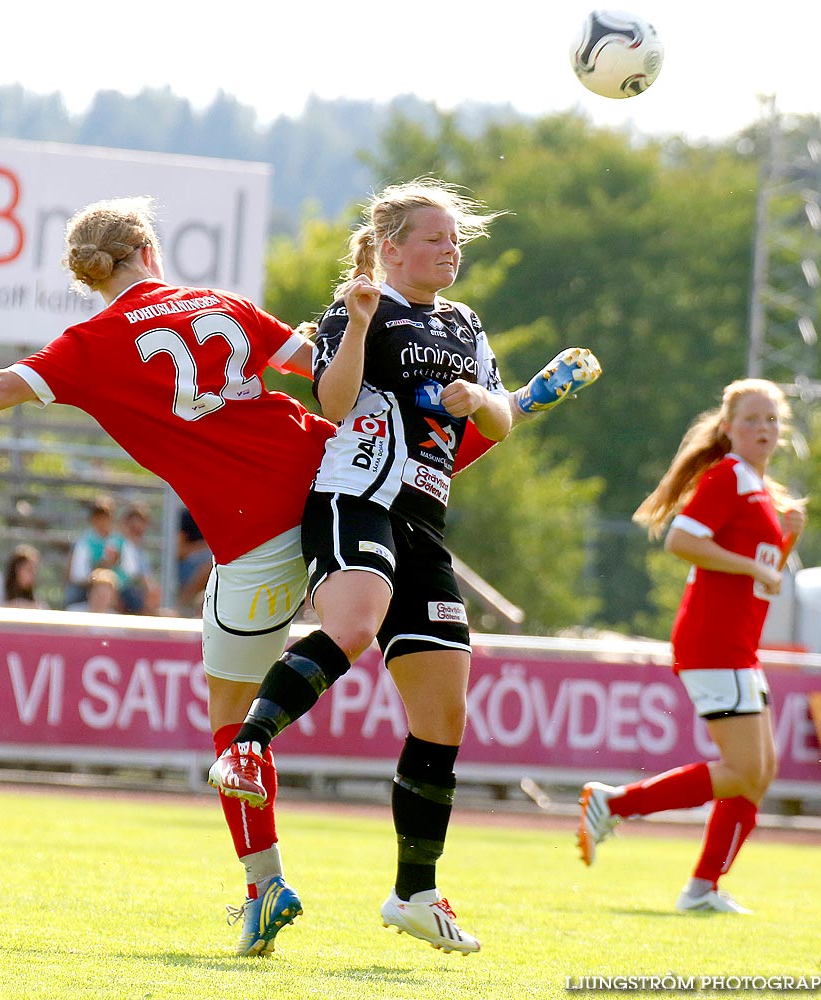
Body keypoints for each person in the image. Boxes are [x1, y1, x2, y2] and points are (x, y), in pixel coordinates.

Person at [0, 192, 597, 959]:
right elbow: (332, 378)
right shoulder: (218, 302)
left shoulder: (90, 342)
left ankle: (265, 884)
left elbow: (0, 385)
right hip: (331, 475)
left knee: (233, 716)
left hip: (256, 533)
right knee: (400, 654)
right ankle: (407, 886)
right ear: (151, 251)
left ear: (89, 274)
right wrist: (485, 394)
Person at [208, 178, 602, 955]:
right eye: (435, 238)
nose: (450, 250)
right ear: (391, 247)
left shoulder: (464, 322)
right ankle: (248, 748)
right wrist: (354, 328)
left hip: (424, 518)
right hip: (356, 495)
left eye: (455, 240)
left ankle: (414, 893)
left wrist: (480, 400)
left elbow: (497, 418)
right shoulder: (362, 307)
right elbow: (330, 401)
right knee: (352, 627)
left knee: (443, 714)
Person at [577, 378, 807, 915]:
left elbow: (762, 576)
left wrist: (786, 536)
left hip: (739, 646)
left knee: (760, 773)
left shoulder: (756, 486)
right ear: (727, 428)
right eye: (751, 419)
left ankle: (702, 887)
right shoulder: (728, 475)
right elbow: (682, 538)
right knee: (745, 769)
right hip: (713, 642)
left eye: (772, 419)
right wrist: (755, 560)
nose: (764, 429)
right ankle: (615, 803)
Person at [64, 495, 132, 609]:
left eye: (106, 517)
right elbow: (78, 575)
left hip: (118, 589)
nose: (103, 521)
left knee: (133, 600)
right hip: (88, 588)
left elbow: (130, 571)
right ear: (93, 519)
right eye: (99, 517)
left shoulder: (120, 541)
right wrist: (99, 575)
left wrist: (113, 582)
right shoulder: (84, 542)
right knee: (75, 597)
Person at [118, 502, 162, 615]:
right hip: (124, 590)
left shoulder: (140, 550)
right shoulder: (119, 544)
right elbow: (130, 575)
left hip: (137, 592)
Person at [0, 544, 44, 609]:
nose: (33, 575)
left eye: (35, 571)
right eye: (29, 570)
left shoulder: (29, 593)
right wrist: (15, 607)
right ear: (16, 569)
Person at [176, 507, 212, 616]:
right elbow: (179, 552)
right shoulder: (187, 515)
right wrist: (206, 547)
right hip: (188, 567)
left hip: (214, 569)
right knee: (209, 565)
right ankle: (182, 603)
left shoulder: (219, 515)